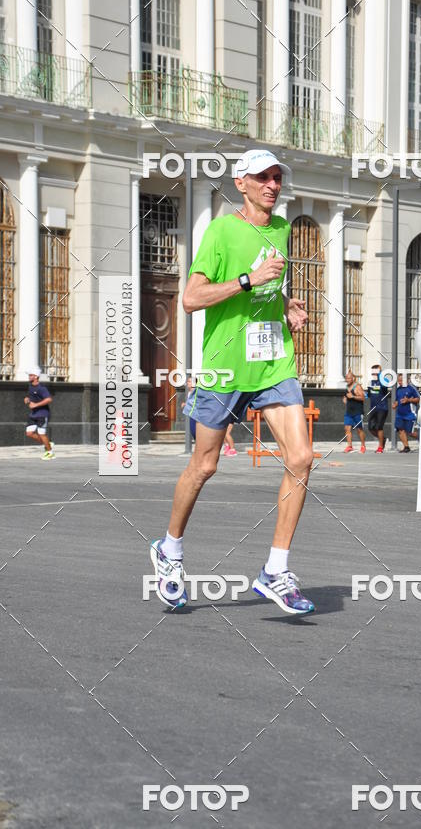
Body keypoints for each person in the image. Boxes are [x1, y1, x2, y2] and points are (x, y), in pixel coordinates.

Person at [150, 149, 315, 615]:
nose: (273, 185)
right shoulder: (221, 230)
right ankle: (170, 550)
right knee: (204, 466)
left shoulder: (282, 229)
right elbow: (189, 298)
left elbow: (271, 285)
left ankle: (275, 571)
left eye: (278, 177)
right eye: (263, 177)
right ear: (241, 182)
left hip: (273, 362)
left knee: (301, 457)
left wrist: (286, 304)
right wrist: (248, 278)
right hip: (225, 366)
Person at [24, 367, 55, 459]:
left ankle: (50, 453)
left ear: (36, 376)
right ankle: (47, 444)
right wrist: (27, 400)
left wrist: (36, 405)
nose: (29, 377)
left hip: (42, 414)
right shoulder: (30, 386)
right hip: (33, 414)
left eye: (31, 375)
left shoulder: (42, 388)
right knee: (29, 433)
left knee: (41, 434)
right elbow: (31, 397)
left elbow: (49, 399)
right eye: (29, 375)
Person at [392, 375, 420, 452]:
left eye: (401, 380)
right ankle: (406, 447)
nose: (400, 382)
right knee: (400, 429)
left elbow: (418, 399)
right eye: (399, 381)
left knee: (410, 432)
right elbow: (398, 400)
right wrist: (395, 404)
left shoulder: (411, 388)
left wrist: (408, 400)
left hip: (410, 414)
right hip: (399, 414)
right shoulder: (398, 389)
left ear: (406, 380)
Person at [366, 364, 389, 453]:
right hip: (373, 408)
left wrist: (380, 375)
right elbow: (368, 394)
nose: (374, 373)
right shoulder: (370, 382)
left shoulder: (384, 380)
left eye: (376, 371)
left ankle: (380, 447)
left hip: (382, 407)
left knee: (379, 427)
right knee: (371, 428)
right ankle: (382, 439)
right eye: (373, 371)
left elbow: (385, 386)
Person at [343, 370, 366, 453]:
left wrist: (352, 396)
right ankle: (349, 446)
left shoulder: (357, 387)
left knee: (359, 429)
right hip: (349, 411)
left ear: (353, 378)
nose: (347, 379)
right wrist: (345, 398)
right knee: (347, 428)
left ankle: (363, 445)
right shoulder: (346, 387)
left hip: (357, 411)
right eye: (346, 378)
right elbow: (346, 396)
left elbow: (363, 398)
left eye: (349, 378)